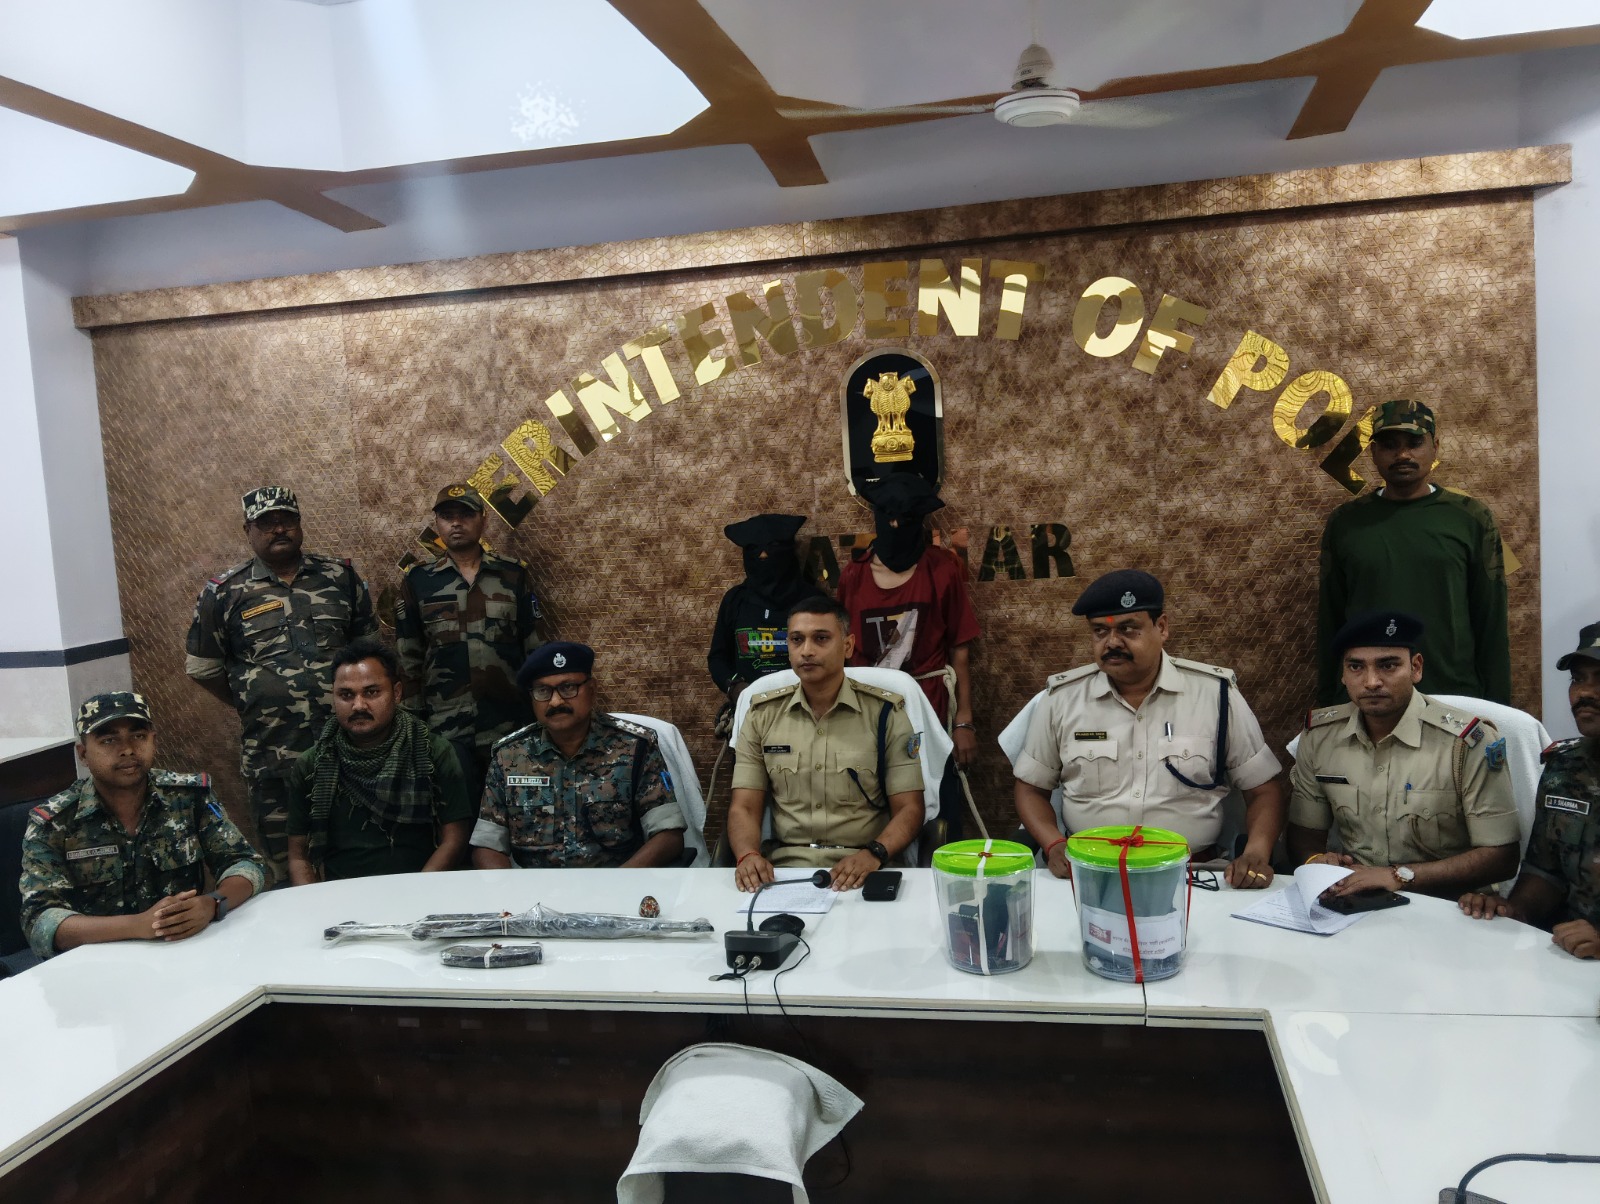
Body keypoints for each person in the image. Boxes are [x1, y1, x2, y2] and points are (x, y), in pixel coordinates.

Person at [1011, 570, 1284, 889]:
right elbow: (1030, 789)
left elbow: (1263, 790)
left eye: (1128, 629)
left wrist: (1256, 852)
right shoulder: (1062, 699)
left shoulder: (1215, 695)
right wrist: (1054, 843)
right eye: (1100, 631)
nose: (1112, 642)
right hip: (1087, 875)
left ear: (1162, 627)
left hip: (1192, 876)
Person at [185, 486, 377, 884]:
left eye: (286, 520)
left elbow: (370, 654)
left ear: (299, 524)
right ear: (248, 531)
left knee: (361, 858)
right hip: (274, 758)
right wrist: (251, 697)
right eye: (266, 523)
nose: (278, 529)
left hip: (349, 749)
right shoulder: (225, 592)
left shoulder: (339, 577)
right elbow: (203, 667)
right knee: (286, 870)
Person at [1289, 610, 1521, 900]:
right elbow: (1304, 835)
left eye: (1388, 665)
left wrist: (1397, 876)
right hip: (1354, 898)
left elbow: (1501, 857)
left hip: (1448, 904)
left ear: (1416, 668)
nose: (1371, 681)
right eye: (1356, 667)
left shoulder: (1466, 743)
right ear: (1343, 675)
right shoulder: (1320, 737)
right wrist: (1318, 862)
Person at [18, 692, 267, 960]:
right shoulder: (54, 822)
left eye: (138, 736)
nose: (127, 749)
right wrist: (137, 925)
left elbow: (245, 863)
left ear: (153, 740)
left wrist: (213, 903)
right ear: (83, 754)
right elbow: (39, 920)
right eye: (108, 740)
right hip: (96, 963)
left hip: (182, 952)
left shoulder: (188, 797)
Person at [1316, 399, 1510, 705]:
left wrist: (1497, 706)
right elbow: (1331, 620)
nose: (1403, 454)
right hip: (1369, 695)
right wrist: (1330, 702)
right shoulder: (1346, 523)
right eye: (1390, 445)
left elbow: (1491, 621)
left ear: (1435, 447)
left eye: (1415, 443)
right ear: (1373, 453)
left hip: (1453, 695)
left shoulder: (1471, 518)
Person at [729, 595, 925, 892]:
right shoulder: (762, 716)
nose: (806, 650)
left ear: (847, 646)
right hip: (784, 873)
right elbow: (743, 807)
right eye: (797, 640)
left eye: (821, 638)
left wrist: (874, 854)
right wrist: (748, 855)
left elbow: (910, 808)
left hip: (865, 870)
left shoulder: (885, 714)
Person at [469, 642, 686, 869]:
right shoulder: (509, 756)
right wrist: (512, 888)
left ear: (592, 690)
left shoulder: (634, 748)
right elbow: (487, 845)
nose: (555, 701)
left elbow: (668, 835)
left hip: (616, 882)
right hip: (536, 888)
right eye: (543, 691)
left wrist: (620, 881)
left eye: (568, 688)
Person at [1459, 622, 1600, 958]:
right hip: (1568, 958)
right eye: (1578, 678)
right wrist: (1513, 911)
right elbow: (1547, 871)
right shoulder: (1565, 765)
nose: (1585, 692)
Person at [395, 483, 543, 802]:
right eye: (447, 516)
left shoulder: (512, 575)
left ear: (483, 519)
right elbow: (409, 659)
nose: (456, 523)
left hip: (508, 722)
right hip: (445, 727)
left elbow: (532, 650)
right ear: (437, 524)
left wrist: (539, 714)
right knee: (455, 811)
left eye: (465, 515)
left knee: (514, 807)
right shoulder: (419, 581)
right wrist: (414, 725)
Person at [284, 639, 473, 884]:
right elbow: (298, 856)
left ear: (397, 692)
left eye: (371, 692)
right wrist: (313, 902)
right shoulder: (313, 764)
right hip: (342, 895)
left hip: (421, 888)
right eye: (346, 695)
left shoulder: (432, 752)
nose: (358, 705)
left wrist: (420, 890)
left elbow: (454, 839)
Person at [836, 474, 981, 767]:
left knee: (932, 788)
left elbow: (960, 648)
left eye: (904, 518)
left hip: (928, 707)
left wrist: (963, 721)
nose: (894, 525)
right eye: (887, 516)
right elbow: (839, 651)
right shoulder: (853, 576)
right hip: (867, 709)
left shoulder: (941, 571)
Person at [707, 513, 815, 704]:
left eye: (772, 547)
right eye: (753, 549)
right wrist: (734, 687)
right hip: (751, 709)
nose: (763, 555)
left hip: (804, 706)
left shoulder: (812, 601)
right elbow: (718, 657)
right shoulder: (735, 600)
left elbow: (830, 655)